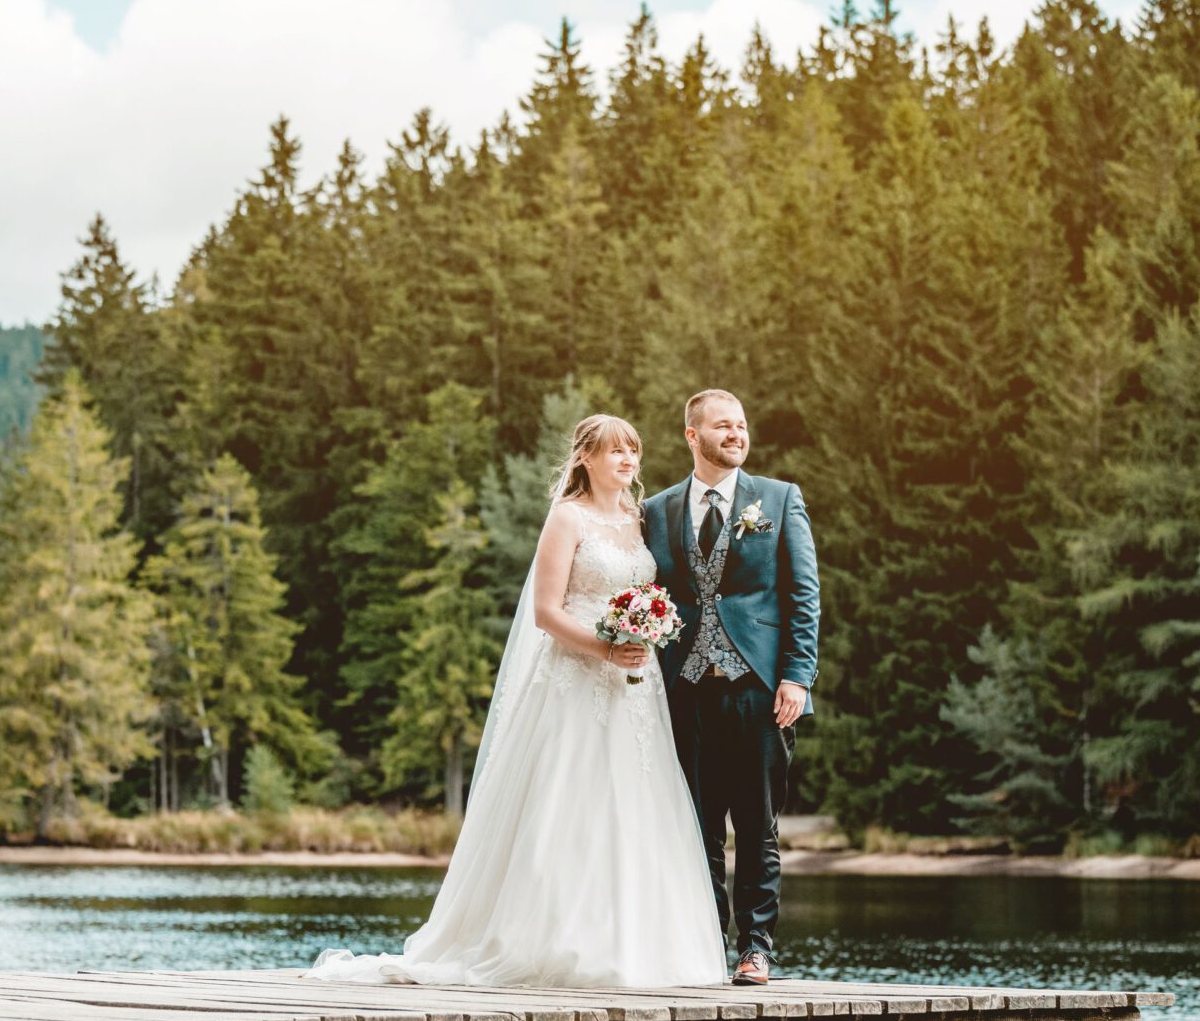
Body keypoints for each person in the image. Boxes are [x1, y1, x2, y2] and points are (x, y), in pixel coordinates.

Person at [309, 414, 729, 988]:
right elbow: (546, 612)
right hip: (576, 677)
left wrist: (645, 633)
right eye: (615, 452)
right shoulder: (567, 517)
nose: (628, 460)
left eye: (633, 450)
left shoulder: (639, 518)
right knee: (568, 800)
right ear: (586, 458)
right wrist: (605, 650)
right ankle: (551, 941)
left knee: (635, 803)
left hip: (635, 686)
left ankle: (635, 945)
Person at [639, 389, 820, 985]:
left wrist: (797, 676)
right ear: (693, 436)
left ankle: (756, 948)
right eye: (723, 426)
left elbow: (803, 596)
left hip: (759, 689)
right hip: (683, 690)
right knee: (696, 828)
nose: (736, 434)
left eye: (741, 425)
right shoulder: (658, 510)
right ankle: (704, 943)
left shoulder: (780, 499)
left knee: (757, 823)